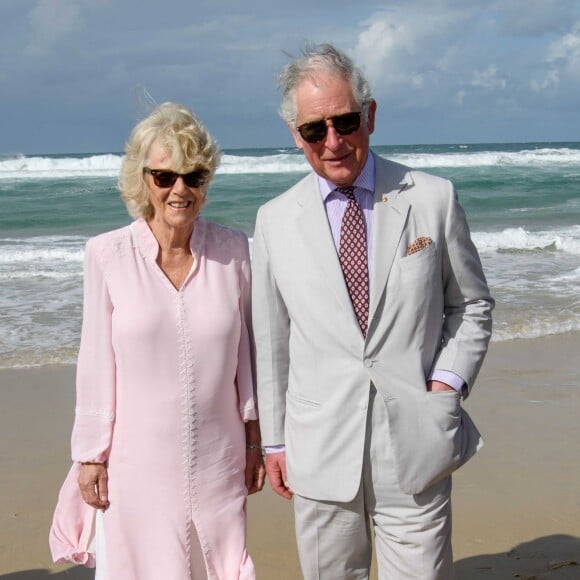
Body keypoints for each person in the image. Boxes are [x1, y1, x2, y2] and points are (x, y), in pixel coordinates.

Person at [252, 43, 494, 579]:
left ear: (371, 115)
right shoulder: (273, 222)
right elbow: (270, 342)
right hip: (318, 450)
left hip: (416, 441)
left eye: (346, 121)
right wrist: (274, 441)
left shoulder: (433, 198)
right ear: (296, 135)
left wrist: (448, 383)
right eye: (315, 129)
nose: (333, 141)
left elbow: (471, 304)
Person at [50, 102, 265, 579]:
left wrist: (255, 441)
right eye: (164, 176)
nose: (179, 189)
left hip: (219, 460)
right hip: (136, 465)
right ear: (143, 180)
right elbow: (95, 363)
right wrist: (89, 456)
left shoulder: (234, 252)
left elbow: (246, 354)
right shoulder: (106, 255)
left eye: (194, 176)